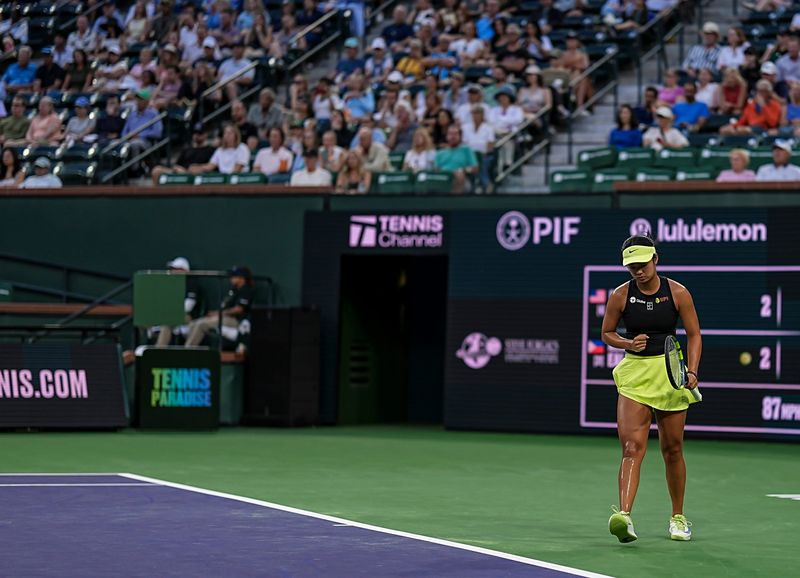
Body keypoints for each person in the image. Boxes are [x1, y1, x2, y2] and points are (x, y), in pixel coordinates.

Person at [601, 234, 701, 544]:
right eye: (631, 267)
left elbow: (695, 335)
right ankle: (625, 517)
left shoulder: (679, 293)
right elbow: (606, 333)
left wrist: (693, 371)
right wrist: (627, 342)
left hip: (670, 375)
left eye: (642, 265)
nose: (637, 271)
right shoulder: (619, 295)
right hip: (635, 375)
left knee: (672, 450)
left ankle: (678, 517)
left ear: (655, 260)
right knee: (632, 448)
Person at [184, 266, 255, 348]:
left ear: (242, 278)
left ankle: (187, 350)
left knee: (201, 324)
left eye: (234, 276)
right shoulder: (234, 290)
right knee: (193, 324)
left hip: (236, 320)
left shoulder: (246, 289)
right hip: (224, 318)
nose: (231, 278)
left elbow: (239, 309)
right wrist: (217, 313)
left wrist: (218, 313)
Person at [155, 257, 205, 346]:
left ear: (184, 270)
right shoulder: (171, 284)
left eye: (175, 269)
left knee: (167, 323)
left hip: (189, 317)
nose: (172, 272)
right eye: (172, 269)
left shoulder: (192, 284)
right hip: (171, 314)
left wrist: (170, 312)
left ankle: (158, 350)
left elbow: (188, 306)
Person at [151, 124, 215, 184]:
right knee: (157, 170)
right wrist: (179, 170)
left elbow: (210, 167)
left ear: (206, 134)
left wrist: (192, 170)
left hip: (196, 176)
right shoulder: (187, 149)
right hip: (180, 173)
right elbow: (177, 165)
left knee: (194, 170)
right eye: (195, 132)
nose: (196, 135)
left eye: (200, 133)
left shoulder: (211, 150)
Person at [121, 89, 164, 173]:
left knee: (135, 144)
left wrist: (140, 135)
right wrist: (127, 136)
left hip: (146, 142)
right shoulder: (132, 114)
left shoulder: (153, 114)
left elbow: (157, 132)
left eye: (140, 99)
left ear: (147, 102)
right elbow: (124, 132)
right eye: (137, 99)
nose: (138, 102)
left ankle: (134, 170)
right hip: (129, 139)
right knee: (114, 144)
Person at [435, 125, 479, 193]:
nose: (453, 137)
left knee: (459, 175)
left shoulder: (466, 150)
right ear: (446, 136)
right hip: (444, 177)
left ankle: (455, 201)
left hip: (461, 177)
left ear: (460, 137)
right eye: (450, 134)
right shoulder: (440, 153)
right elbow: (436, 170)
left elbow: (475, 168)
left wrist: (464, 170)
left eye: (455, 134)